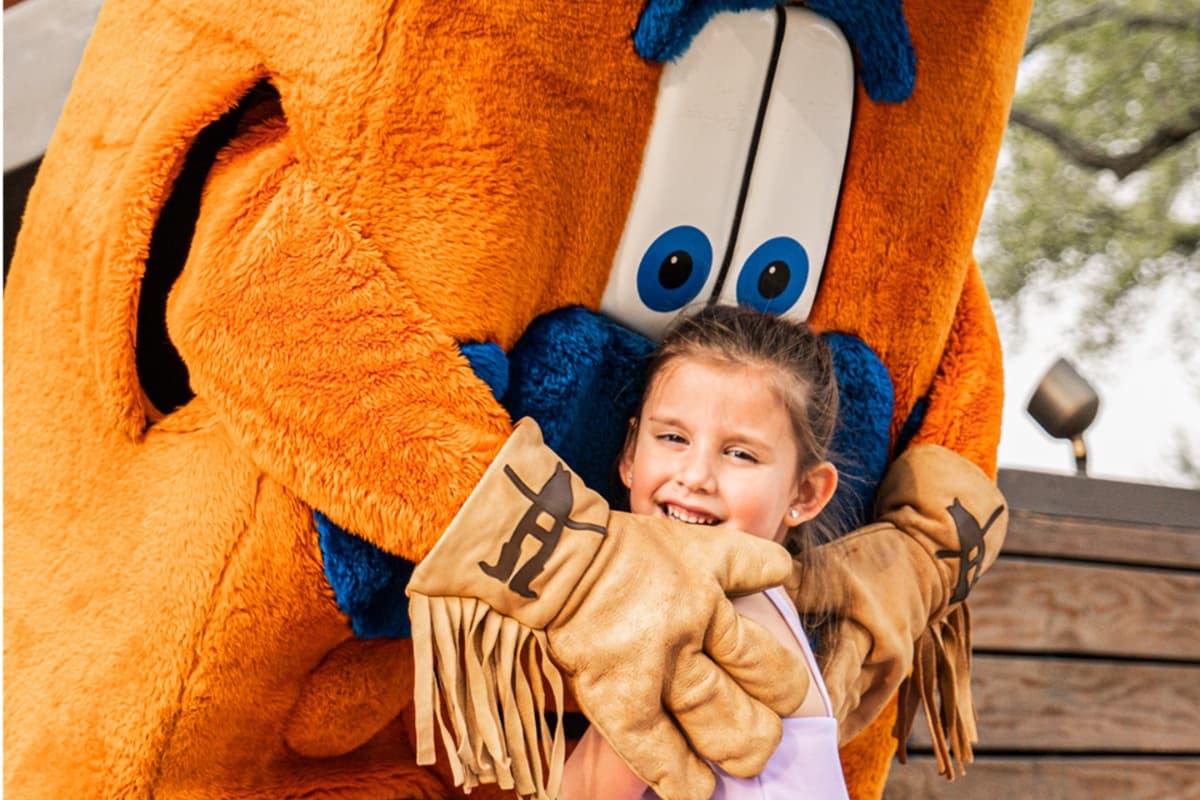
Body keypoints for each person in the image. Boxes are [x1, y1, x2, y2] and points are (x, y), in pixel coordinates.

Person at [561, 304, 851, 800]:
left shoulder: (697, 614)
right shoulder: (747, 600)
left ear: (804, 494)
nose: (695, 476)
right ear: (630, 454)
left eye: (740, 453)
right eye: (673, 437)